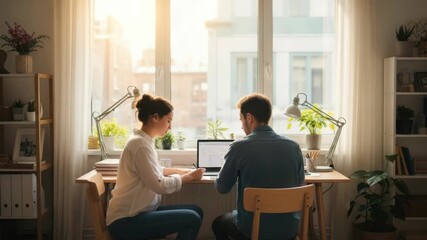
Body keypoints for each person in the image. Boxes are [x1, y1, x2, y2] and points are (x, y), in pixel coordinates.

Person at [106, 94, 205, 240]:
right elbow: (160, 185)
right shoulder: (139, 145)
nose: (170, 127)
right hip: (126, 220)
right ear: (155, 118)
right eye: (168, 121)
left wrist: (181, 171)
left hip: (140, 212)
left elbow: (155, 170)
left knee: (196, 211)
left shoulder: (144, 142)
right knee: (192, 218)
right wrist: (189, 177)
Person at [212, 93, 305, 240]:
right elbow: (300, 186)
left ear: (249, 118)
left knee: (217, 224)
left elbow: (222, 188)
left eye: (241, 120)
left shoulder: (239, 147)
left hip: (251, 230)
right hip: (289, 229)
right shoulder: (294, 147)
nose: (242, 126)